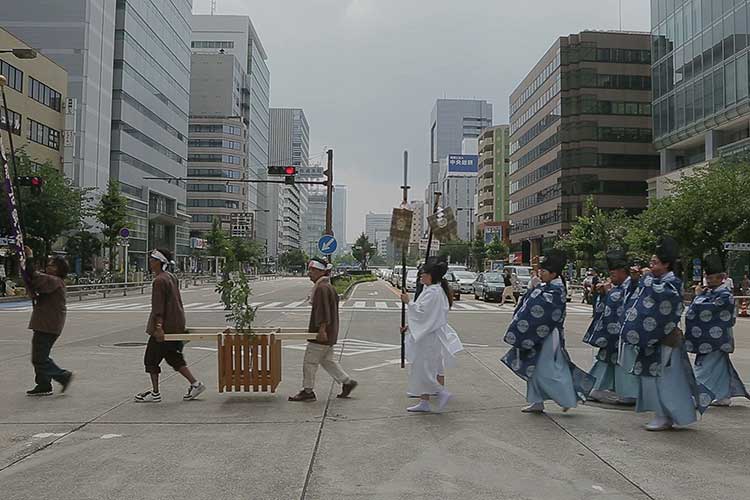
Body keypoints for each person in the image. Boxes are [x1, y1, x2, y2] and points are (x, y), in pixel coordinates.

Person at [618, 236, 711, 431]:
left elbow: (665, 301)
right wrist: (639, 281)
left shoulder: (671, 283)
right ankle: (661, 414)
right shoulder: (655, 280)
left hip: (664, 338)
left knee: (665, 379)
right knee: (651, 378)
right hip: (651, 338)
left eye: (655, 262)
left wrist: (647, 279)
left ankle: (665, 414)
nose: (651, 266)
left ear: (666, 264)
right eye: (651, 262)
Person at [501, 249, 594, 414]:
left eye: (543, 271)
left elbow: (543, 308)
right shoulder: (548, 287)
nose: (541, 274)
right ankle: (537, 401)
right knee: (533, 367)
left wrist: (535, 290)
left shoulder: (556, 290)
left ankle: (567, 397)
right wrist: (535, 289)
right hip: (539, 334)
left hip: (548, 335)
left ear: (553, 273)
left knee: (546, 369)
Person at [134, 249, 205, 403]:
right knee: (174, 358)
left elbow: (158, 307)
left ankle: (155, 393)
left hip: (164, 327)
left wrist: (158, 328)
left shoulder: (159, 281)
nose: (150, 262)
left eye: (152, 260)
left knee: (151, 360)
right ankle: (195, 384)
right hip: (177, 324)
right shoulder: (171, 277)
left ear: (159, 262)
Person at [685, 253, 749, 407]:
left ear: (722, 278)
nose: (709, 279)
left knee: (704, 368)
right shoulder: (710, 293)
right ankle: (723, 395)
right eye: (708, 277)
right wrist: (701, 295)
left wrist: (698, 296)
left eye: (712, 277)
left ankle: (698, 396)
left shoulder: (725, 295)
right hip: (710, 338)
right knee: (719, 367)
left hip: (715, 338)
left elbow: (703, 310)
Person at [289, 258, 357, 402]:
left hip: (322, 333)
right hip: (329, 331)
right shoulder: (327, 286)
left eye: (312, 270)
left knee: (310, 361)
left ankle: (308, 390)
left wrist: (322, 329)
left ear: (320, 271)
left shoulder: (321, 288)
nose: (309, 273)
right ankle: (346, 382)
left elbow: (323, 311)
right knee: (327, 361)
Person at [400, 258, 463, 412]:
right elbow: (426, 315)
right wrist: (409, 326)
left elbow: (423, 314)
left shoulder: (433, 292)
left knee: (425, 369)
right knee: (424, 368)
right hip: (428, 335)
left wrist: (408, 302)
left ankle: (441, 393)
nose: (421, 276)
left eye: (424, 273)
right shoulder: (432, 291)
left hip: (428, 337)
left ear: (431, 276)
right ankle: (425, 401)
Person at [583, 250, 638, 405]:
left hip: (624, 333)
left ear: (622, 272)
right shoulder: (617, 287)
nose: (611, 277)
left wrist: (608, 292)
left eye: (614, 274)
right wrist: (603, 294)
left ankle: (629, 392)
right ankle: (597, 387)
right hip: (611, 333)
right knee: (606, 361)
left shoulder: (631, 286)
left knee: (623, 362)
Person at [24, 247, 73, 396]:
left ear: (59, 269)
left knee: (39, 357)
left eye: (52, 265)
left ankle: (62, 376)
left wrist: (29, 257)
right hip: (47, 324)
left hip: (47, 325)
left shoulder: (54, 281)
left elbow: (34, 276)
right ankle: (43, 384)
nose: (48, 267)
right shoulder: (54, 281)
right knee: (40, 355)